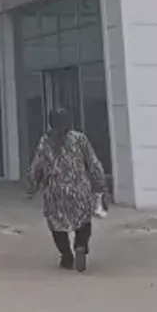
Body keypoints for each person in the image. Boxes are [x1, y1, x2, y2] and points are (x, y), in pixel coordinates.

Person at [25, 108, 106, 273]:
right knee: (83, 221)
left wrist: (31, 187)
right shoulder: (80, 139)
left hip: (55, 192)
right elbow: (93, 163)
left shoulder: (45, 142)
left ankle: (67, 256)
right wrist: (100, 183)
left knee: (57, 225)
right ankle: (80, 245)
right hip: (79, 190)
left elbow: (37, 167)